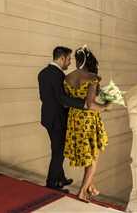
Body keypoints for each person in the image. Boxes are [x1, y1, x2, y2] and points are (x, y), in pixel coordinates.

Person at [38, 46, 87, 192]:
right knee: (58, 152)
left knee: (58, 149)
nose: (70, 62)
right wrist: (83, 104)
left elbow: (43, 97)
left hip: (47, 117)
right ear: (61, 58)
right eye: (68, 59)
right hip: (57, 119)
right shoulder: (58, 75)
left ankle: (61, 178)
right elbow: (61, 98)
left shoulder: (43, 73)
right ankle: (52, 183)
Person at [63, 46, 109, 202]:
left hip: (74, 119)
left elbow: (69, 100)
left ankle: (90, 185)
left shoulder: (67, 78)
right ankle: (82, 192)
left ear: (77, 60)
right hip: (88, 121)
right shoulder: (92, 78)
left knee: (87, 155)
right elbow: (89, 104)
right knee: (93, 157)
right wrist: (105, 105)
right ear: (88, 60)